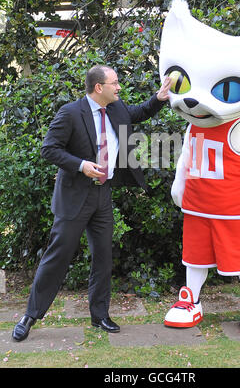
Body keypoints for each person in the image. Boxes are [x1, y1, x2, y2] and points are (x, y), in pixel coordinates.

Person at [12, 65, 171, 341]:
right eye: (115, 82)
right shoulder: (70, 113)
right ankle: (30, 316)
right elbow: (49, 149)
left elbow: (139, 112)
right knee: (57, 257)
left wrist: (158, 97)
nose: (119, 87)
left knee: (103, 258)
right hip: (74, 198)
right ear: (99, 87)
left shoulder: (117, 109)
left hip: (102, 196)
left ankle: (100, 316)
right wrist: (81, 165)